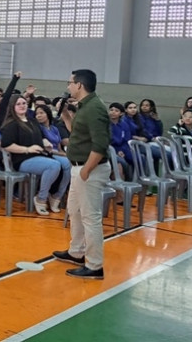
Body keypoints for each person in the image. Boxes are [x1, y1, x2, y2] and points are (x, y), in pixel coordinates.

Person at [53, 69, 111, 280]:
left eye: (70, 83)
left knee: (90, 217)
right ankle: (76, 252)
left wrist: (86, 170)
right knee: (74, 210)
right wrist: (66, 114)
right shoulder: (84, 107)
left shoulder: (95, 109)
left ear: (79, 85)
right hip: (78, 167)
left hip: (89, 169)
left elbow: (100, 144)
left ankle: (95, 266)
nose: (68, 86)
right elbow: (76, 131)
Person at [0, 95, 70, 216]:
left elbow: (38, 137)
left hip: (40, 154)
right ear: (13, 107)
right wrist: (27, 149)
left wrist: (44, 142)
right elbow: (6, 145)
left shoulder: (32, 121)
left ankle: (56, 196)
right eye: (18, 104)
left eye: (24, 103)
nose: (22, 106)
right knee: (53, 165)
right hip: (23, 159)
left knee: (68, 164)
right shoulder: (11, 124)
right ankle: (41, 198)